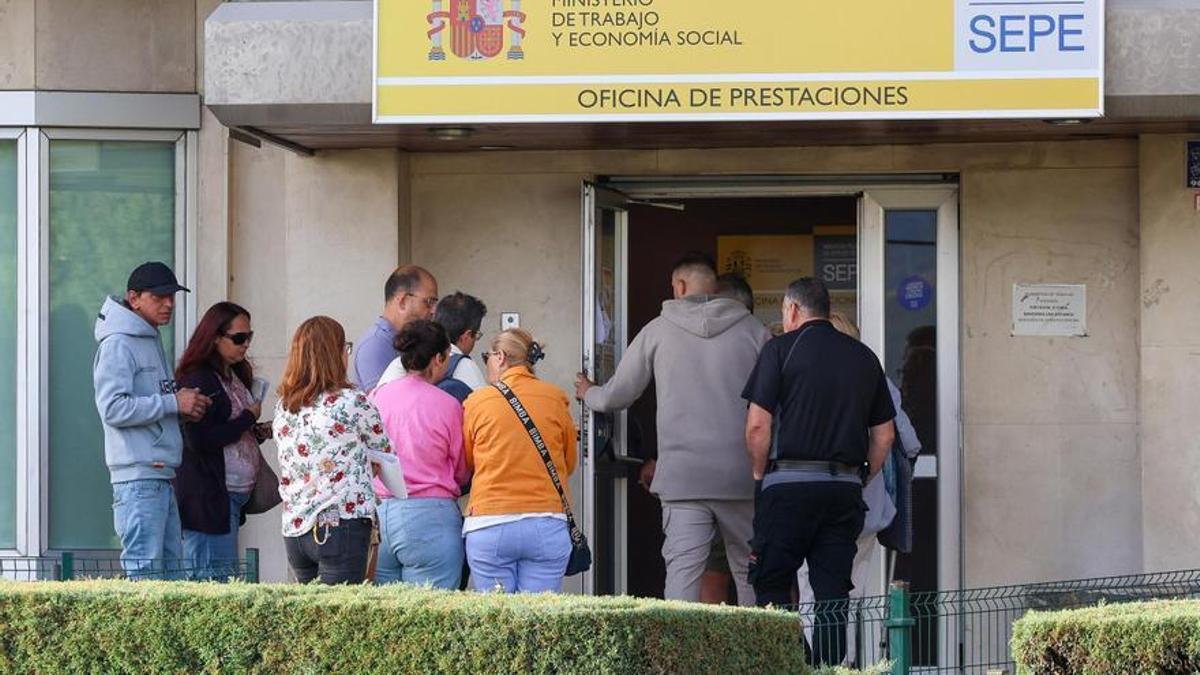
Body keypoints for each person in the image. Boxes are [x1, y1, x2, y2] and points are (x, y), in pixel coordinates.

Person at [575, 252, 770, 606]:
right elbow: (777, 402)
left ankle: (680, 659)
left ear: (679, 286)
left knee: (683, 573)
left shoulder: (657, 330)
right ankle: (755, 658)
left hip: (682, 479)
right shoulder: (755, 332)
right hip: (740, 476)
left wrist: (589, 392)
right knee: (749, 572)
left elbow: (618, 394)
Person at [743, 278, 896, 666]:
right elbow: (884, 435)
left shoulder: (779, 350)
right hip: (842, 491)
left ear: (792, 310)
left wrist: (760, 475)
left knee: (772, 582)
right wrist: (862, 476)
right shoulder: (864, 358)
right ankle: (827, 669)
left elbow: (757, 426)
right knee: (832, 594)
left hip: (787, 487)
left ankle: (795, 663)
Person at [796, 312, 922, 666]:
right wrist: (870, 473)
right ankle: (847, 664)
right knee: (851, 591)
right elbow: (907, 441)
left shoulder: (804, 378)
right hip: (863, 506)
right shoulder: (875, 378)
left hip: (810, 500)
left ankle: (818, 667)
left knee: (810, 589)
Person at [93, 261, 210, 578]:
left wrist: (183, 408)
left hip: (158, 474)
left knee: (171, 579)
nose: (169, 303)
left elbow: (149, 402)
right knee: (146, 575)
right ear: (134, 298)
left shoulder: (147, 336)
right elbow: (113, 408)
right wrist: (174, 402)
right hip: (138, 477)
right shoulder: (118, 342)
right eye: (159, 296)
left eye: (172, 295)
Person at [274, 316, 393, 584]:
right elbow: (384, 452)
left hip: (295, 527)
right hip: (342, 523)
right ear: (336, 353)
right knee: (342, 618)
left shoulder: (284, 406)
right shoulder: (352, 401)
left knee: (311, 620)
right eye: (345, 347)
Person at [463, 329, 578, 593]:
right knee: (539, 623)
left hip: (489, 522)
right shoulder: (556, 399)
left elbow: (470, 462)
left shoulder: (477, 402)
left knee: (497, 623)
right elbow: (568, 463)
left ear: (500, 357)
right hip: (546, 521)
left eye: (487, 357)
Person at [371, 320, 470, 589]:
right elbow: (461, 469)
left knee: (385, 619)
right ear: (438, 358)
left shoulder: (376, 396)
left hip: (380, 514)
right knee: (432, 618)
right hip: (431, 516)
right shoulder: (448, 405)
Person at [174, 302, 266, 580]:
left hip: (231, 496)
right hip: (208, 498)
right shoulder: (198, 379)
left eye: (249, 337)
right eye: (238, 338)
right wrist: (246, 420)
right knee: (210, 583)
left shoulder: (234, 374)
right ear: (215, 337)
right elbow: (199, 440)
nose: (245, 344)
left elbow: (230, 434)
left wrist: (256, 431)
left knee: (222, 579)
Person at [351, 265, 439, 392]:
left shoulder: (404, 339)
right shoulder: (376, 344)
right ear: (403, 301)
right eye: (429, 302)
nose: (433, 311)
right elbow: (385, 405)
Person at [431, 291, 489, 398]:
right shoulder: (465, 366)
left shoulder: (420, 357)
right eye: (476, 335)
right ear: (466, 335)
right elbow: (484, 408)